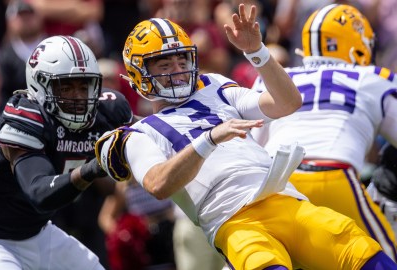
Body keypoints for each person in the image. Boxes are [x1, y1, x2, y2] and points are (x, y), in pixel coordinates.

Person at [94, 4, 397, 269]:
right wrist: (208, 139)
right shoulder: (139, 133)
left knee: (361, 250)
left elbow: (287, 103)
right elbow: (159, 184)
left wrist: (258, 53)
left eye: (182, 61)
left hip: (283, 198)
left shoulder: (214, 87)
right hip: (234, 221)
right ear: (138, 73)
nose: (178, 71)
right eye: (165, 64)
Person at [0, 36, 135, 269]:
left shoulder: (107, 109)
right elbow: (40, 193)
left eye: (84, 85)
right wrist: (95, 167)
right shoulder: (26, 116)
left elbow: (152, 134)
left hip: (38, 233)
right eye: (66, 87)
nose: (78, 97)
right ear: (39, 85)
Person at [250, 3, 397, 260]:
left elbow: (253, 147)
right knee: (384, 259)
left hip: (276, 183)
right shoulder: (375, 77)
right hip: (331, 174)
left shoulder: (273, 77)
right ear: (357, 44)